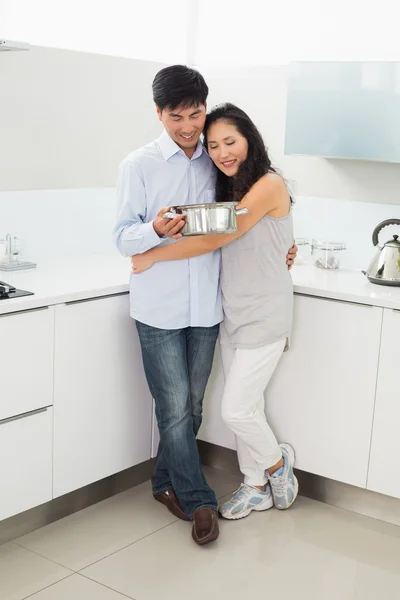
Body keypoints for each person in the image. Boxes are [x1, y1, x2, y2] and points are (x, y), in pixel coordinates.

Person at [114, 66, 297, 545]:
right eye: (177, 117)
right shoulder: (139, 165)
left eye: (196, 115)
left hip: (211, 310)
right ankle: (197, 499)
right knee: (174, 408)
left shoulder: (219, 165)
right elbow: (120, 237)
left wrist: (149, 255)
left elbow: (229, 232)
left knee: (190, 407)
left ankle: (161, 482)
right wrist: (151, 231)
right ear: (159, 113)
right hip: (159, 308)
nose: (191, 128)